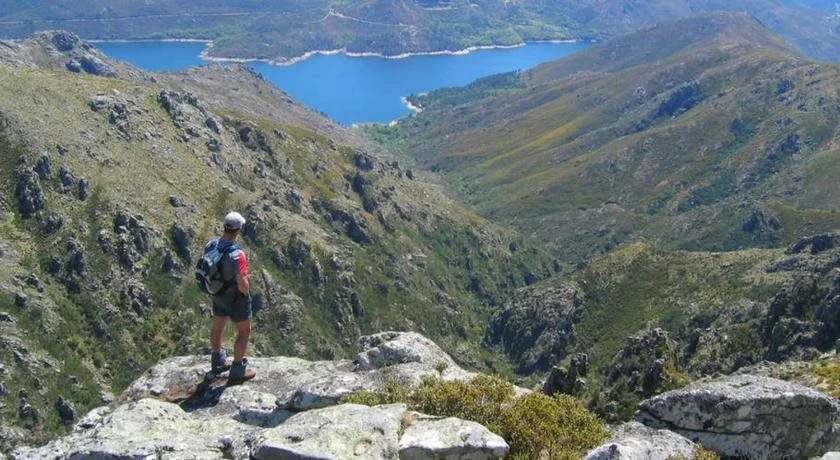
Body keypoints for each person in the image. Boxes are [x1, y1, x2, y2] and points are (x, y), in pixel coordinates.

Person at [208, 211, 255, 384]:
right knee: (244, 331)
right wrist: (246, 293)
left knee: (217, 326)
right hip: (235, 297)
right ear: (238, 229)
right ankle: (237, 370)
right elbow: (242, 281)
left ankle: (217, 361)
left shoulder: (211, 245)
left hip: (217, 292)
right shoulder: (238, 254)